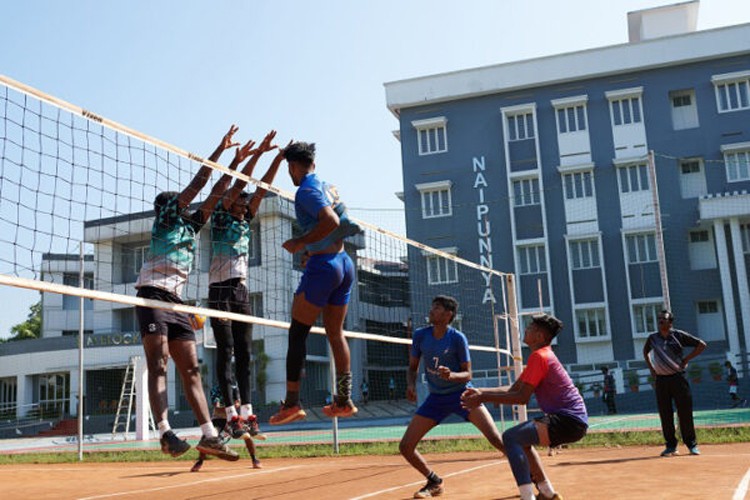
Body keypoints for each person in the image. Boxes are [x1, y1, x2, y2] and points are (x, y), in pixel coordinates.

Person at [135, 125, 248, 461]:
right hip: (152, 295)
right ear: (167, 208)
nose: (182, 200)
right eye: (176, 200)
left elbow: (216, 192)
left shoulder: (192, 225)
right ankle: (165, 432)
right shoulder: (167, 220)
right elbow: (200, 183)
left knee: (192, 369)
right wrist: (218, 150)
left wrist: (234, 163)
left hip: (178, 301)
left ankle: (210, 436)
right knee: (159, 364)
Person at [269, 142, 361, 425]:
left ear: (293, 167)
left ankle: (293, 404)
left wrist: (301, 243)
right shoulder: (326, 185)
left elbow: (330, 220)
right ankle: (344, 401)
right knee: (335, 333)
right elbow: (340, 223)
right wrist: (313, 248)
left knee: (297, 333)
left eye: (288, 169)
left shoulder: (306, 190)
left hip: (325, 268)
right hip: (344, 263)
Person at [462, 313, 587, 500]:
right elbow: (513, 389)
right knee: (522, 441)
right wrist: (478, 391)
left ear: (539, 337)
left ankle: (527, 496)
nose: (525, 329)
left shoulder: (540, 356)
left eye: (530, 328)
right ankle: (547, 493)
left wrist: (483, 398)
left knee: (511, 437)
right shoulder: (541, 357)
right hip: (571, 421)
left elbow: (521, 398)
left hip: (567, 421)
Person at [209, 130, 283, 438]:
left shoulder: (245, 217)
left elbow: (261, 187)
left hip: (240, 289)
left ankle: (248, 412)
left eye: (245, 199)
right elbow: (240, 183)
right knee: (225, 351)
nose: (244, 200)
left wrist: (276, 156)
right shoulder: (223, 216)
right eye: (240, 198)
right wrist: (251, 157)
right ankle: (229, 414)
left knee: (244, 351)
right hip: (219, 290)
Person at [400, 296, 509, 499]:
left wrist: (451, 375)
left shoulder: (458, 338)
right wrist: (410, 384)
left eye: (437, 308)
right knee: (405, 446)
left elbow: (468, 374)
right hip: (436, 399)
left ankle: (533, 475)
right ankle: (434, 481)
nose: (431, 310)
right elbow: (413, 368)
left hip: (463, 395)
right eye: (432, 306)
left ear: (448, 315)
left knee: (496, 439)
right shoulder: (420, 335)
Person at [643, 309, 706, 457]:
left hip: (678, 379)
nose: (660, 322)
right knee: (665, 414)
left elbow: (702, 345)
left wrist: (687, 359)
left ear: (670, 322)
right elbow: (645, 351)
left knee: (684, 412)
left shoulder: (678, 336)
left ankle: (691, 445)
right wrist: (651, 368)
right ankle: (671, 446)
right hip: (661, 381)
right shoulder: (652, 338)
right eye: (659, 319)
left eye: (663, 319)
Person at [191, 384, 264, 472]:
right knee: (207, 438)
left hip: (234, 420)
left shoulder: (234, 388)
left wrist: (232, 405)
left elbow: (237, 403)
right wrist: (228, 405)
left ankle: (254, 459)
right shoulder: (215, 389)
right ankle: (200, 461)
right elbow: (216, 404)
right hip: (218, 419)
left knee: (247, 436)